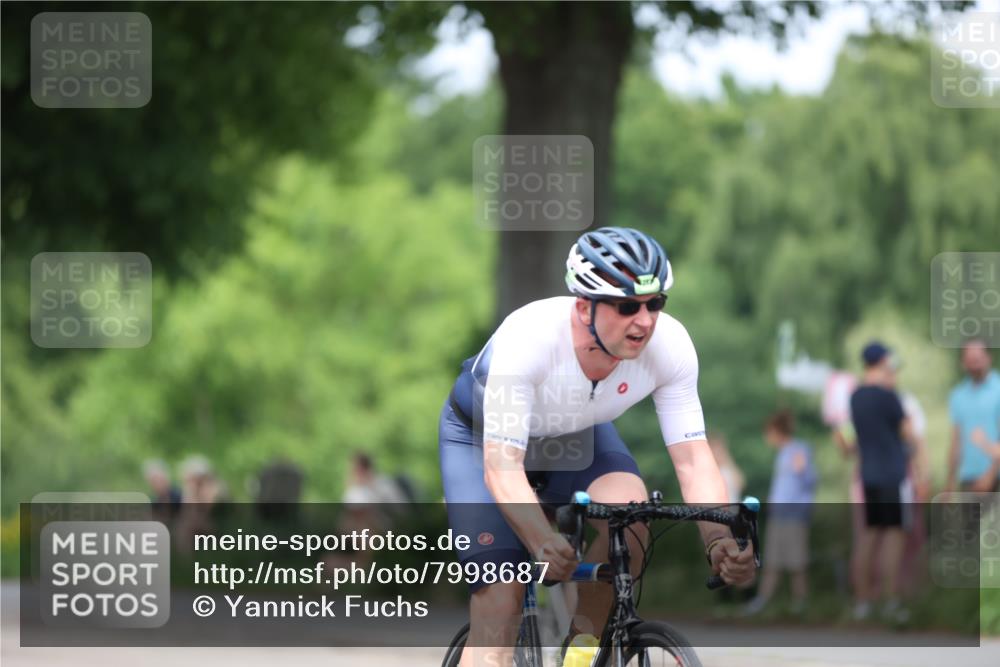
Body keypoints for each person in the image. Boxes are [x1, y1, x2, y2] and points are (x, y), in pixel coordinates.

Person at [439, 227, 756, 667]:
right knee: (500, 600)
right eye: (627, 306)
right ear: (584, 306)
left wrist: (719, 538)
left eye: (655, 303)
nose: (645, 321)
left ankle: (579, 653)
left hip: (575, 434)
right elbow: (502, 466)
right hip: (482, 442)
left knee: (632, 518)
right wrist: (542, 538)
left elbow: (693, 460)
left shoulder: (671, 346)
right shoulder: (529, 339)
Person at [847, 342, 921, 622]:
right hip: (893, 474)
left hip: (868, 474)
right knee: (894, 538)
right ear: (882, 363)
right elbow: (909, 433)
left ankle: (863, 602)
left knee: (868, 537)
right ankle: (891, 601)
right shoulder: (889, 396)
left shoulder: (855, 397)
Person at [744, 410, 817, 615]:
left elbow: (811, 480)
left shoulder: (799, 449)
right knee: (772, 560)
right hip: (778, 515)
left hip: (794, 514)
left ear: (777, 431)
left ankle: (800, 602)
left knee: (797, 561)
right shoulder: (782, 454)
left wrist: (803, 470)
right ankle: (763, 601)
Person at [946, 339, 1000, 494]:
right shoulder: (958, 395)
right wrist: (950, 481)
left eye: (978, 359)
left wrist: (990, 474)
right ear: (963, 362)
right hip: (968, 478)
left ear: (988, 358)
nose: (974, 365)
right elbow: (956, 439)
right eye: (970, 360)